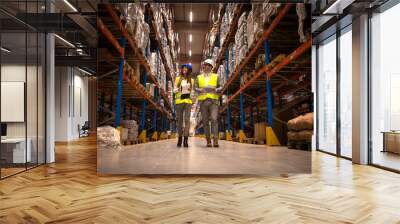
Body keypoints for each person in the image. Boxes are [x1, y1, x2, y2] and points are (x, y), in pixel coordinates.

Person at [195, 59, 222, 147]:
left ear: (211, 67)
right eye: (205, 65)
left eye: (208, 65)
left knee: (214, 119)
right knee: (205, 122)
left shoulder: (216, 76)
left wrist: (216, 89)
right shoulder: (199, 77)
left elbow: (221, 86)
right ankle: (208, 141)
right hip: (203, 102)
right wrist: (200, 90)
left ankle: (215, 140)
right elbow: (195, 87)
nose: (206, 67)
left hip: (213, 101)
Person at [174, 63, 194, 147]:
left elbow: (192, 93)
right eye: (183, 68)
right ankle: (179, 139)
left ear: (189, 70)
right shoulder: (178, 79)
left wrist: (190, 92)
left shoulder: (192, 80)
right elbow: (174, 90)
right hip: (179, 101)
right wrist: (179, 89)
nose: (184, 70)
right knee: (179, 121)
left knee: (187, 120)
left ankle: (186, 140)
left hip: (188, 102)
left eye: (186, 69)